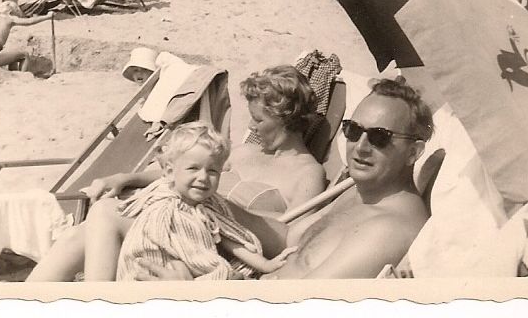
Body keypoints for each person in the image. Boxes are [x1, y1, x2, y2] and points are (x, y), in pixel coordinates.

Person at [28, 65, 326, 281]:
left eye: (259, 120)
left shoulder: (307, 173)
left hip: (213, 245)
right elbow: (182, 171)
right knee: (81, 234)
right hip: (181, 226)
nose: (251, 128)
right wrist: (124, 178)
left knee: (106, 213)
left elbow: (295, 235)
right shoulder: (246, 152)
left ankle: (99, 305)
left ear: (285, 118)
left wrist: (219, 209)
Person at [136, 77, 433, 280]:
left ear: (413, 151)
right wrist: (211, 203)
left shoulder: (389, 228)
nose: (361, 147)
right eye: (353, 130)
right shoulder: (361, 191)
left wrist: (190, 293)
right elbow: (291, 235)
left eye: (380, 137)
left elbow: (298, 304)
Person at [112, 122, 297, 281]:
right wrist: (224, 275)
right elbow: (200, 260)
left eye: (212, 171)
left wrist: (266, 264)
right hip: (150, 277)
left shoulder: (206, 204)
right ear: (169, 171)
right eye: (193, 168)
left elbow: (230, 237)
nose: (203, 178)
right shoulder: (169, 211)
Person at [0, 1, 53, 71]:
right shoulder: (9, 19)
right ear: (11, 12)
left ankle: (13, 75)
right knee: (24, 55)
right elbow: (29, 21)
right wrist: (47, 17)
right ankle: (23, 78)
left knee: (11, 54)